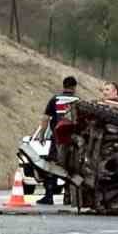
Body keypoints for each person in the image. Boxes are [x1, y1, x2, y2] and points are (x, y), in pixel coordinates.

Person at [38, 76, 78, 205]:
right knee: (72, 167)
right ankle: (69, 197)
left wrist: (42, 134)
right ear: (74, 87)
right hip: (74, 140)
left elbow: (45, 118)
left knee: (52, 166)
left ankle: (49, 196)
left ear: (63, 86)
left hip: (57, 138)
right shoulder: (78, 101)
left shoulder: (55, 99)